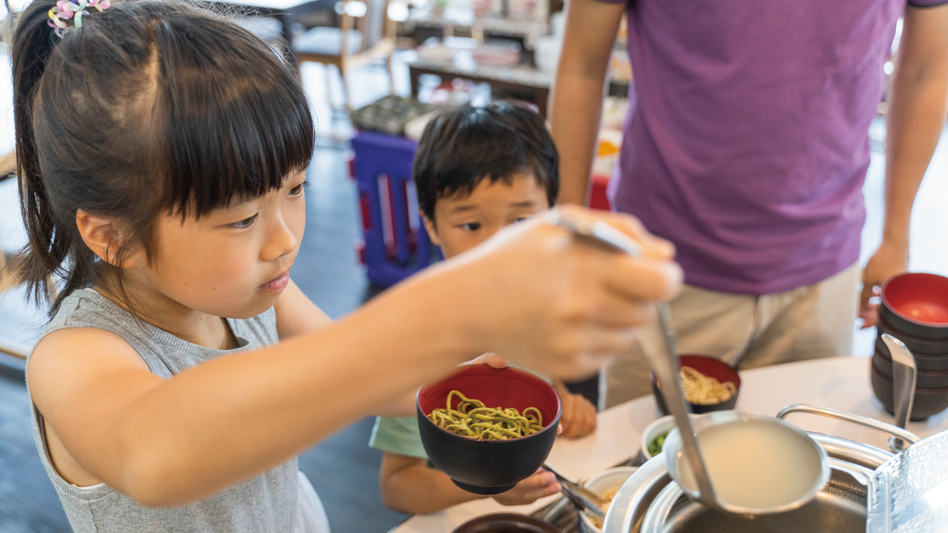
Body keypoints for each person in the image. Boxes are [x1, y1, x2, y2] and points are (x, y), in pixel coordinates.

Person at [13, 1, 683, 532]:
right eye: (242, 218)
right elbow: (152, 452)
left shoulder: (256, 292)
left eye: (297, 189)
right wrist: (455, 302)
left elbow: (376, 380)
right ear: (111, 236)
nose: (284, 240)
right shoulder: (71, 358)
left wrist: (482, 368)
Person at [550, 0, 948, 406]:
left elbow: (926, 71)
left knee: (803, 459)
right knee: (645, 462)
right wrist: (566, 236)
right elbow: (581, 66)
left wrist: (896, 235)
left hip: (823, 275)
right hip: (663, 263)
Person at [370, 103, 597, 515]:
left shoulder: (542, 302)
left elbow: (539, 375)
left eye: (522, 220)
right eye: (472, 225)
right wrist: (489, 486)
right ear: (433, 225)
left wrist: (564, 397)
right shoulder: (421, 341)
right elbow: (396, 487)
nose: (499, 248)